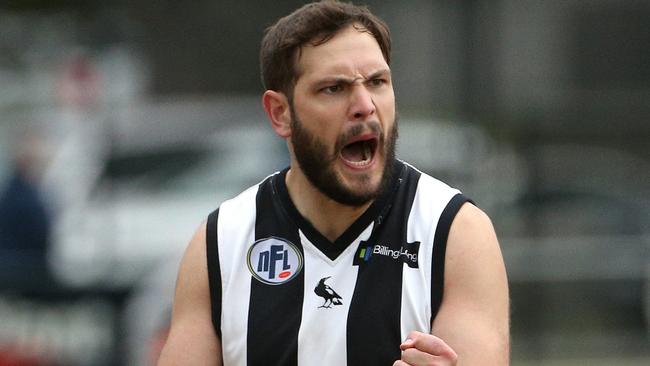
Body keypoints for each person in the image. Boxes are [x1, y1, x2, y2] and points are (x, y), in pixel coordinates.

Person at [158, 1, 509, 365]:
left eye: (377, 82)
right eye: (334, 88)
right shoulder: (221, 243)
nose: (364, 105)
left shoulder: (454, 232)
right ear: (281, 113)